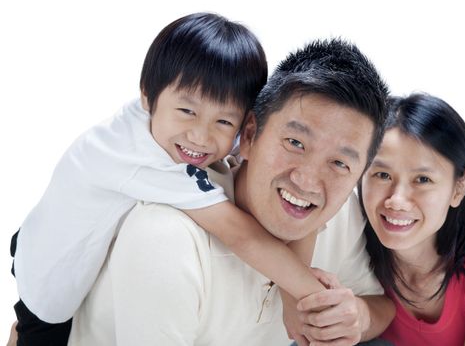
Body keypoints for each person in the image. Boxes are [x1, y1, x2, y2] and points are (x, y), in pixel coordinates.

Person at [10, 12, 334, 346]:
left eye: (224, 122)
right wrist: (310, 294)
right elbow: (240, 235)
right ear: (148, 96)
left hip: (52, 221)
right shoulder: (141, 158)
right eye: (187, 112)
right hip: (51, 262)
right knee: (41, 326)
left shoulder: (164, 119)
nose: (200, 136)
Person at [66, 38, 395, 345]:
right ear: (250, 135)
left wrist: (356, 318)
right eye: (295, 143)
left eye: (339, 163)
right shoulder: (167, 238)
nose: (307, 181)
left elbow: (380, 304)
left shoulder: (341, 214)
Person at [355, 93, 465, 345]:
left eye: (422, 180)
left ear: (459, 188)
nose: (396, 200)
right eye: (381, 174)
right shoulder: (351, 235)